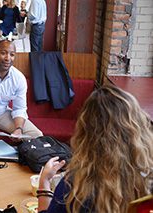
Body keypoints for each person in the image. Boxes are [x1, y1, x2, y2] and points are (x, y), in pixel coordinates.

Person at [37, 85, 153, 213]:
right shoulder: (147, 178)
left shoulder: (74, 188)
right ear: (139, 128)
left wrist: (44, 184)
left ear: (85, 134)